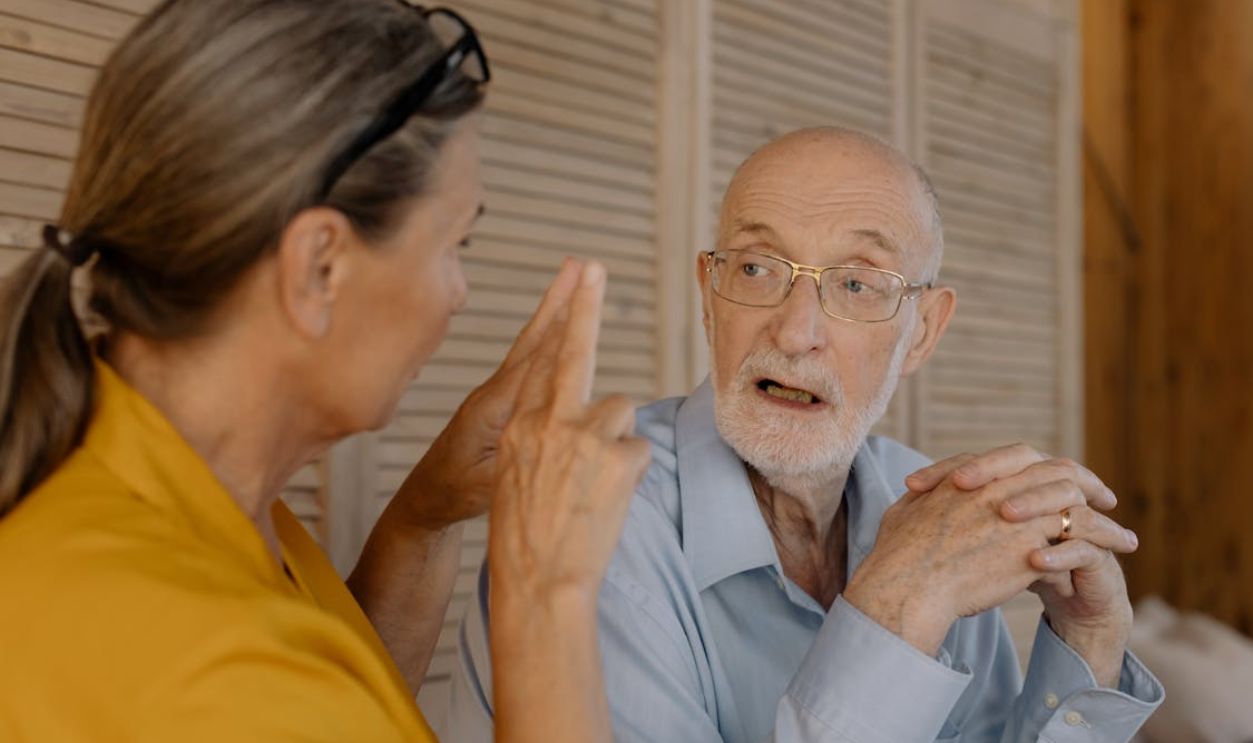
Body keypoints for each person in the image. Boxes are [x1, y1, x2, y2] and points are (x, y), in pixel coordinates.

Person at [0, 2, 647, 741]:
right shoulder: (189, 657)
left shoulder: (185, 495)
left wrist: (423, 516)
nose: (459, 295)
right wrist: (547, 592)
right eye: (454, 244)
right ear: (319, 267)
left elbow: (330, 707)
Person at [446, 127, 1165, 742]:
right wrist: (895, 606)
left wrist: (1088, 645)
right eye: (756, 268)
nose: (794, 332)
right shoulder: (596, 517)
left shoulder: (943, 517)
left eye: (857, 284)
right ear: (708, 296)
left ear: (923, 331)